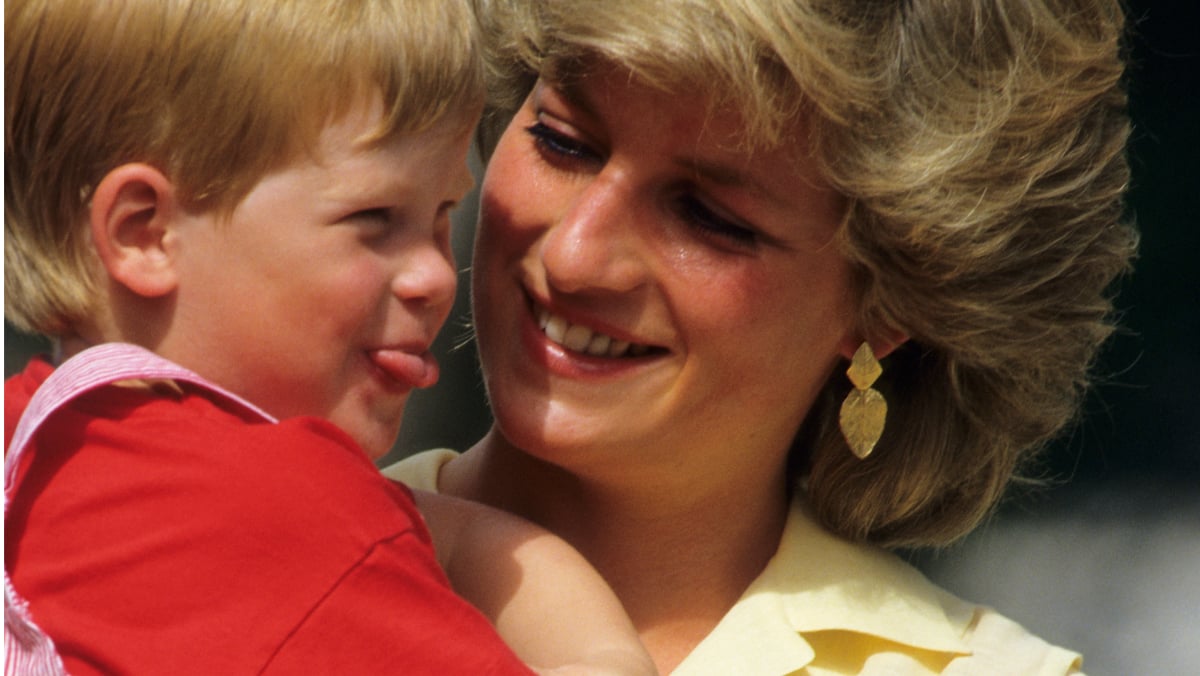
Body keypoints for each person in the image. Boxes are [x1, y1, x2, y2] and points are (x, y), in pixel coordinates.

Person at [382, 0, 1137, 673]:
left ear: (888, 305)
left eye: (708, 217)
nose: (573, 256)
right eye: (562, 142)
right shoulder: (274, 539)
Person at [3, 1, 654, 674]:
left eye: (441, 215)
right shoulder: (292, 517)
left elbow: (448, 542)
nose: (435, 274)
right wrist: (603, 660)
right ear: (144, 232)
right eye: (374, 218)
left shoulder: (29, 455)